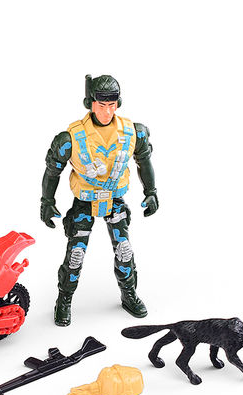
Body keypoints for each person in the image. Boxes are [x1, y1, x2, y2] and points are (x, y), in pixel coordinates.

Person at [40, 74, 159, 326]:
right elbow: (52, 172)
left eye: (111, 105)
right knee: (76, 254)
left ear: (118, 103)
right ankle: (64, 299)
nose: (107, 111)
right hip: (84, 201)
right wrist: (47, 201)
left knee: (124, 250)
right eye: (101, 105)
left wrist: (151, 191)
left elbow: (144, 161)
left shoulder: (132, 132)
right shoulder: (71, 138)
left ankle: (129, 294)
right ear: (90, 103)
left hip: (114, 199)